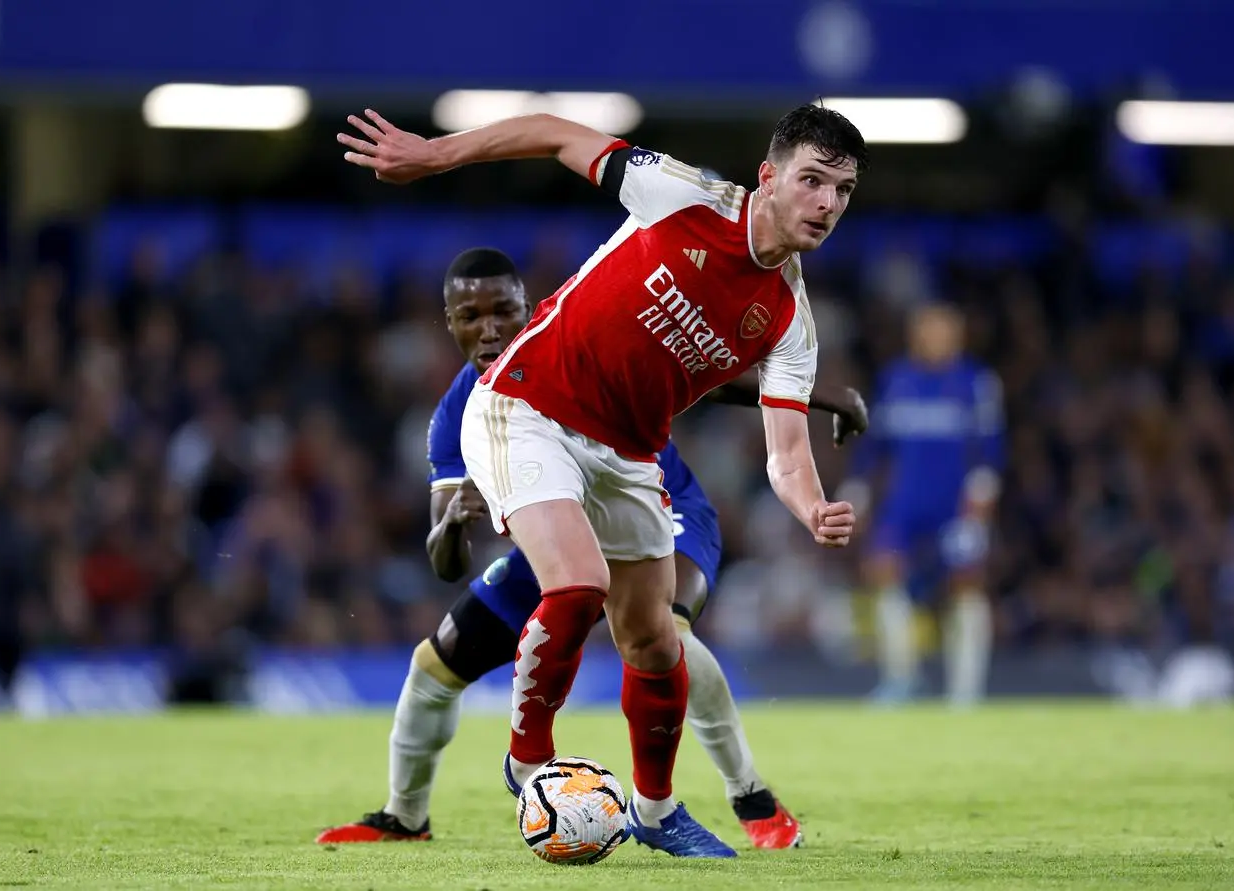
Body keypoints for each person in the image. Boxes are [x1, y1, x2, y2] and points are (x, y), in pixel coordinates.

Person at [338, 103, 868, 857]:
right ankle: (528, 761)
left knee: (654, 637)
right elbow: (556, 132)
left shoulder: (788, 320)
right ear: (769, 176)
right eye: (813, 181)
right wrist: (436, 156)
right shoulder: (683, 195)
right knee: (577, 583)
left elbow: (785, 452)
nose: (826, 204)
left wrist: (812, 507)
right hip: (528, 405)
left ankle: (656, 811)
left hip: (627, 453)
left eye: (842, 191)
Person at [840, 302, 1005, 706]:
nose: (933, 338)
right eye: (926, 330)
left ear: (957, 336)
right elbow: (874, 446)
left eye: (942, 330)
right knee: (884, 574)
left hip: (954, 507)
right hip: (904, 504)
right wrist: (857, 491)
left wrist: (981, 500)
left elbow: (991, 449)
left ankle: (965, 694)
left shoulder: (976, 383)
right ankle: (902, 679)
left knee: (965, 587)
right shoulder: (895, 381)